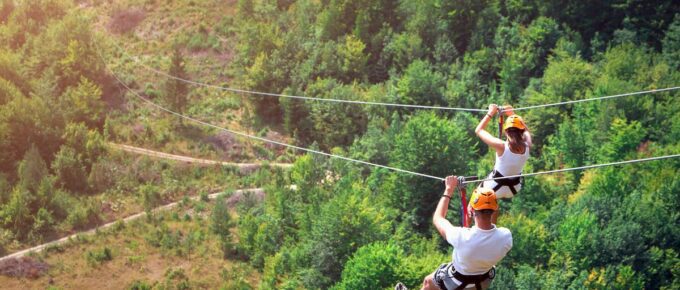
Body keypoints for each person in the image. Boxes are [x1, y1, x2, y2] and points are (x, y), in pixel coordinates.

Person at [412, 176, 512, 290]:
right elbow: (489, 231)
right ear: (495, 209)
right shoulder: (506, 237)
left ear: (472, 211)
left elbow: (438, 218)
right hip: (482, 282)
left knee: (428, 282)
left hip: (457, 282)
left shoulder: (461, 236)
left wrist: (448, 190)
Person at [474, 104, 531, 223]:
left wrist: (490, 113)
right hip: (514, 188)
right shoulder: (527, 144)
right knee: (491, 198)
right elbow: (525, 130)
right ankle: (492, 226)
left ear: (506, 131)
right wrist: (512, 113)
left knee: (475, 199)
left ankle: (482, 225)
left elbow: (478, 130)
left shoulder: (501, 146)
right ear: (521, 131)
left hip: (494, 188)